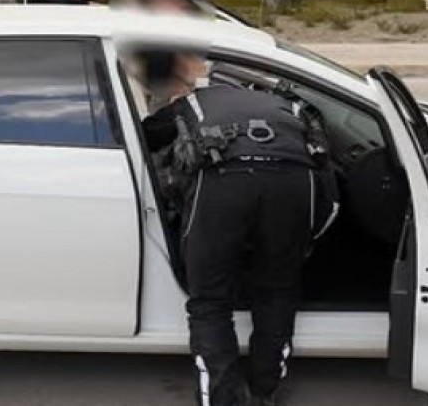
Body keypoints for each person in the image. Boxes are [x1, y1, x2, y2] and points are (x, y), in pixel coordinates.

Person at [141, 51, 335, 406]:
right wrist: (304, 242)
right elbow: (327, 186)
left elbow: (143, 140)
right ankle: (264, 390)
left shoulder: (192, 104)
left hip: (223, 181)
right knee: (277, 291)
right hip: (294, 182)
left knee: (210, 301)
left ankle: (224, 399)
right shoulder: (287, 106)